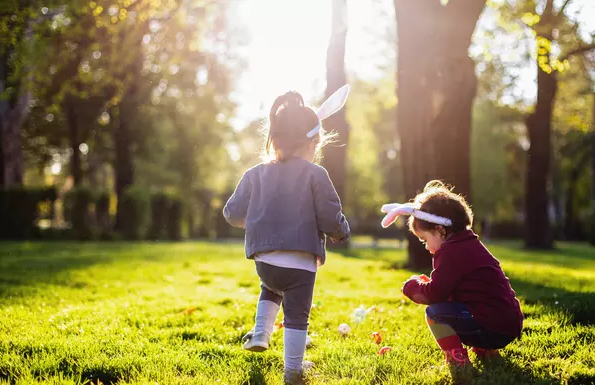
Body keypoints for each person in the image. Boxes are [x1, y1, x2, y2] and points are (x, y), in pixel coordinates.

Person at [223, 90, 351, 384]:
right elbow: (330, 216)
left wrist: (256, 222)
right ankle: (293, 370)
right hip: (301, 265)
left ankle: (260, 333)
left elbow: (231, 213)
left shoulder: (255, 174)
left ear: (275, 137)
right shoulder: (316, 174)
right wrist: (341, 233)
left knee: (270, 287)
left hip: (265, 262)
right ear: (314, 141)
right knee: (296, 315)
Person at [380, 181, 523, 370]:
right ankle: (485, 349)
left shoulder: (450, 251)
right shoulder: (468, 243)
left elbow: (434, 295)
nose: (426, 246)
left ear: (440, 230)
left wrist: (412, 287)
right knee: (461, 307)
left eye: (425, 240)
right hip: (508, 323)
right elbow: (461, 289)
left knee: (435, 314)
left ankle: (458, 359)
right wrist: (432, 284)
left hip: (493, 328)